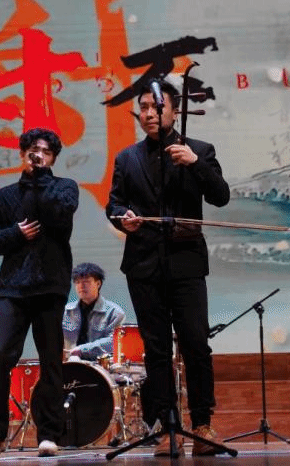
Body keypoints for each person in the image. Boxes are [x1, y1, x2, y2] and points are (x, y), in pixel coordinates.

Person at [106, 80, 230, 457]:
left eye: (156, 107)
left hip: (186, 262)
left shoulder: (200, 150)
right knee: (156, 349)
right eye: (143, 107)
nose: (148, 114)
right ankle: (165, 426)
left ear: (174, 111)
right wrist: (123, 219)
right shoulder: (127, 158)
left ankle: (203, 423)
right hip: (143, 264)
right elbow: (114, 205)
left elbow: (221, 196)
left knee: (196, 343)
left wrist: (195, 165)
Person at [0, 128, 79, 457]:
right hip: (13, 288)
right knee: (0, 356)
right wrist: (17, 234)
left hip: (50, 286)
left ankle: (49, 434)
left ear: (53, 158)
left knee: (51, 361)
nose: (40, 155)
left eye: (47, 152)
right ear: (22, 154)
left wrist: (40, 179)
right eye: (34, 150)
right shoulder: (5, 196)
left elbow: (60, 218)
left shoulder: (64, 188)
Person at [62, 262, 126, 362]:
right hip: (69, 364)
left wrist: (81, 350)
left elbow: (113, 342)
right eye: (77, 282)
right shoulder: (65, 312)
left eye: (86, 282)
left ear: (98, 283)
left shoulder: (115, 313)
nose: (81, 286)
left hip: (101, 366)